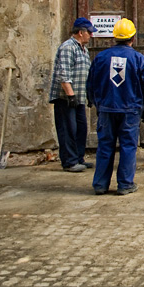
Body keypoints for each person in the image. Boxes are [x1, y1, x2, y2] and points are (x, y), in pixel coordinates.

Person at [87, 18, 144, 195]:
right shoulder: (139, 59)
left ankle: (100, 185)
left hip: (107, 108)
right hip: (130, 110)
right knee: (128, 146)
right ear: (133, 38)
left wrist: (94, 102)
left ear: (114, 37)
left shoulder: (101, 57)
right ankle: (125, 184)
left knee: (105, 146)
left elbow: (91, 83)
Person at [49, 17, 97, 172]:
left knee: (81, 128)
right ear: (81, 32)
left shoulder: (83, 49)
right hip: (66, 98)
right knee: (68, 128)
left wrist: (87, 95)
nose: (91, 35)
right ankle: (69, 161)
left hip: (79, 97)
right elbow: (63, 73)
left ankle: (78, 158)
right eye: (89, 32)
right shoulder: (68, 47)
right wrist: (70, 95)